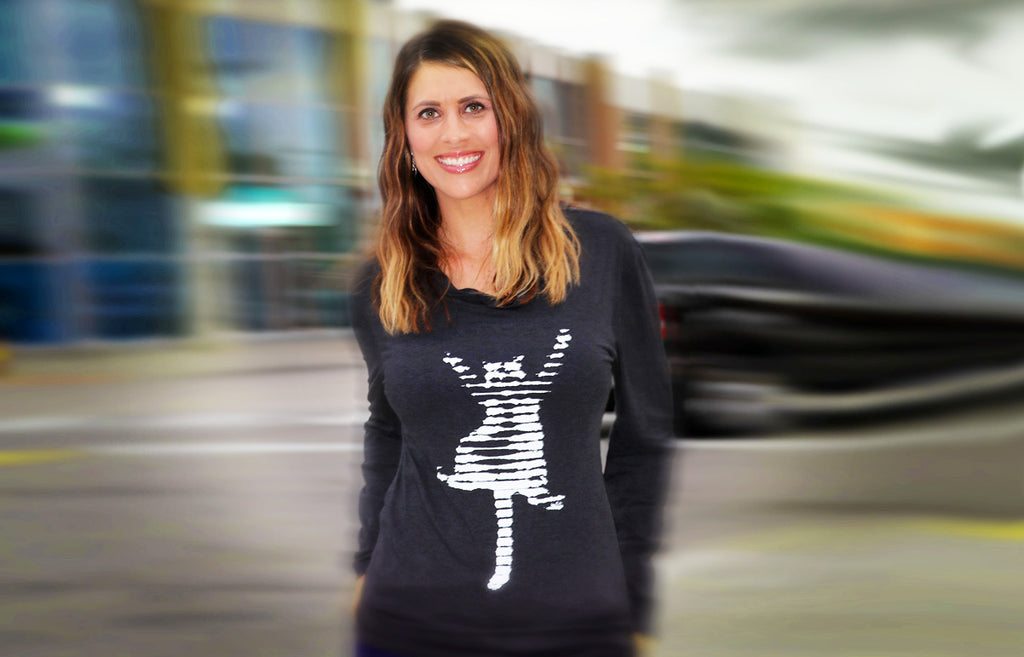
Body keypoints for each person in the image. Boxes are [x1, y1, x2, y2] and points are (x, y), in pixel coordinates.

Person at [349, 19, 673, 657]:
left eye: (475, 107)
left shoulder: (601, 253)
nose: (454, 133)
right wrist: (365, 569)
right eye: (428, 113)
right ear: (404, 136)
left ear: (512, 120)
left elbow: (646, 436)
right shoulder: (380, 284)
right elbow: (388, 432)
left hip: (573, 623)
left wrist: (632, 602)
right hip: (408, 622)